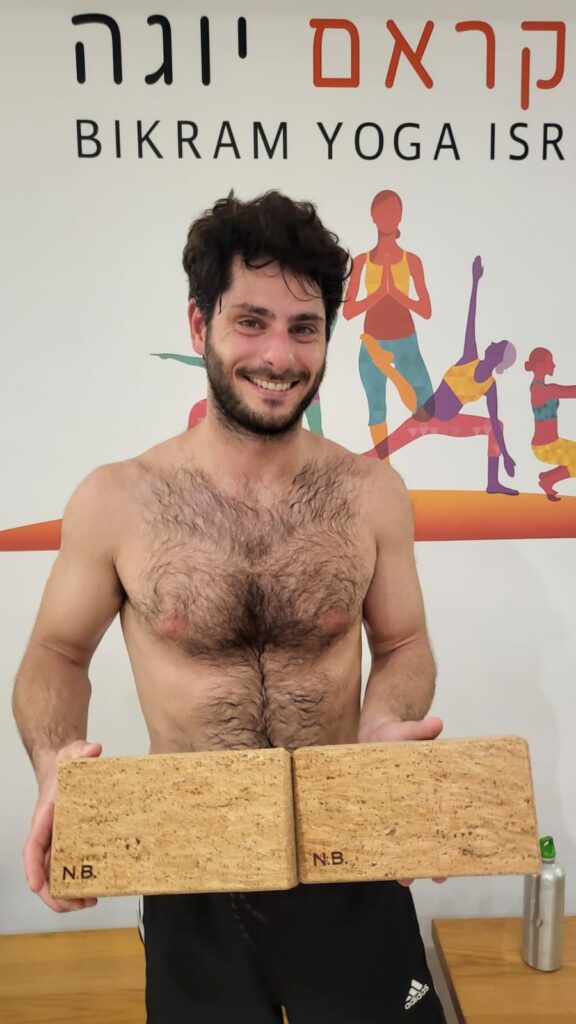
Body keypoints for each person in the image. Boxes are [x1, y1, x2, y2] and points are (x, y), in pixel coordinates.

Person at [13, 191, 446, 1024]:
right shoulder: (118, 500)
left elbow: (404, 644)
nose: (279, 355)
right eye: (251, 322)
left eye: (304, 327)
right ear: (198, 324)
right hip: (190, 864)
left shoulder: (371, 494)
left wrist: (384, 726)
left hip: (346, 849)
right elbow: (54, 656)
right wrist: (54, 760)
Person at [370, 256, 519, 496]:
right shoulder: (469, 357)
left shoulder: (490, 386)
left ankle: (493, 483)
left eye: (497, 345)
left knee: (496, 426)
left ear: (499, 358)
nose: (492, 343)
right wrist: (475, 282)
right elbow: (471, 320)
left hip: (451, 422)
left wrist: (507, 456)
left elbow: (494, 422)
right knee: (381, 450)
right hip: (425, 419)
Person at [342, 189, 434, 449]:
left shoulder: (411, 261)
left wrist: (397, 295)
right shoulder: (361, 262)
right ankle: (384, 466)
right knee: (377, 408)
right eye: (382, 212)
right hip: (373, 341)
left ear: (400, 216)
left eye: (393, 211)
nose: (388, 217)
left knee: (427, 408)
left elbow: (426, 310)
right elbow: (348, 311)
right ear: (373, 216)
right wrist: (378, 295)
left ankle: (391, 372)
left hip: (406, 340)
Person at [525, 347, 576, 500]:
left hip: (553, 443)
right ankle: (548, 481)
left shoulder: (541, 387)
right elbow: (571, 392)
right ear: (541, 365)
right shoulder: (541, 390)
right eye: (550, 361)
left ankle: (547, 477)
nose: (554, 365)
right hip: (546, 448)